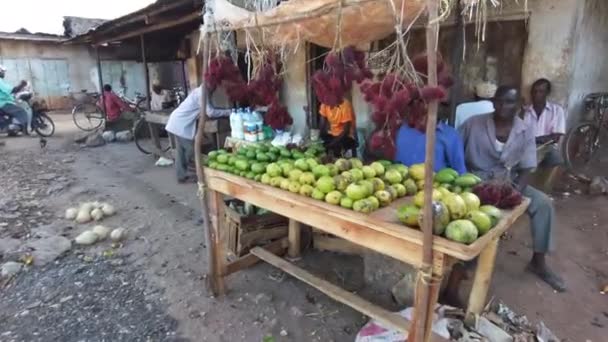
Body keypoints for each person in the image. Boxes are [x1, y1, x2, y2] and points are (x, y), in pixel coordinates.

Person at [452, 86, 565, 303]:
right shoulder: (474, 124)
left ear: (518, 105)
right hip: (474, 182)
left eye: (510, 102)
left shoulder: (524, 130)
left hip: (508, 182)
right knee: (475, 222)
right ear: (493, 102)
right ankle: (456, 280)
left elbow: (526, 168)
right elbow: (455, 153)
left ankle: (538, 262)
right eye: (500, 102)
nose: (504, 107)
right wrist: (463, 182)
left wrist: (514, 195)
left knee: (543, 205)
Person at [165, 86, 231, 183]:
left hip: (177, 122)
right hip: (180, 124)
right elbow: (211, 112)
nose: (214, 90)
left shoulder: (200, 91)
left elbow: (206, 110)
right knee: (191, 150)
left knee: (181, 152)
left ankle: (182, 175)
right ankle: (196, 173)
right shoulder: (202, 93)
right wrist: (229, 112)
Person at [393, 111, 467, 174]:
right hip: (397, 185)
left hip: (436, 188)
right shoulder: (401, 129)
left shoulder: (450, 135)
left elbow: (460, 172)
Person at [522, 78, 566, 169]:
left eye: (541, 91)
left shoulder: (557, 110)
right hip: (527, 147)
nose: (536, 95)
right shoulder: (524, 111)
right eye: (534, 92)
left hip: (547, 147)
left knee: (556, 159)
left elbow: (555, 138)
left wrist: (532, 140)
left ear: (547, 93)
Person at [0, 65, 30, 133]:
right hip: (3, 103)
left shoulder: (2, 81)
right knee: (21, 111)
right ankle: (21, 127)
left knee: (13, 111)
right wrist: (21, 85)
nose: (3, 73)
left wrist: (18, 89)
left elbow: (7, 92)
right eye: (2, 72)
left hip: (4, 102)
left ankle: (12, 130)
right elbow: (11, 90)